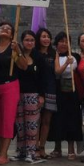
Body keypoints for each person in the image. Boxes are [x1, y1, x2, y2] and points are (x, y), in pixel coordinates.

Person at [48, 31, 83, 160]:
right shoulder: (53, 56)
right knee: (57, 119)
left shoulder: (74, 56)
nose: (64, 44)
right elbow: (58, 72)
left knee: (72, 119)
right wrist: (65, 63)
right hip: (58, 91)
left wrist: (69, 62)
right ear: (56, 43)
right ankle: (57, 148)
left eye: (66, 41)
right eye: (61, 41)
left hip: (72, 93)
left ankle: (71, 148)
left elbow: (73, 71)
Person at [0, 21, 20, 164]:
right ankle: (0, 150)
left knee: (8, 120)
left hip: (10, 86)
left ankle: (4, 154)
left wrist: (18, 52)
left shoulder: (13, 48)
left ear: (12, 34)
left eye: (8, 28)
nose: (5, 30)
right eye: (2, 28)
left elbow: (24, 66)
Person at [12, 30, 43, 163]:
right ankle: (21, 151)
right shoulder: (16, 55)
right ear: (22, 41)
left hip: (33, 94)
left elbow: (43, 78)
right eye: (27, 40)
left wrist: (42, 95)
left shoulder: (38, 57)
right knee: (20, 125)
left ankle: (31, 152)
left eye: (32, 40)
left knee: (31, 125)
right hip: (19, 93)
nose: (29, 43)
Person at [34, 27, 57, 159]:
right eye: (43, 36)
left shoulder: (53, 54)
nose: (46, 39)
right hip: (37, 90)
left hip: (51, 89)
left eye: (48, 36)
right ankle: (35, 146)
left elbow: (57, 72)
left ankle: (42, 147)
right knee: (36, 120)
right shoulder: (35, 53)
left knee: (47, 120)